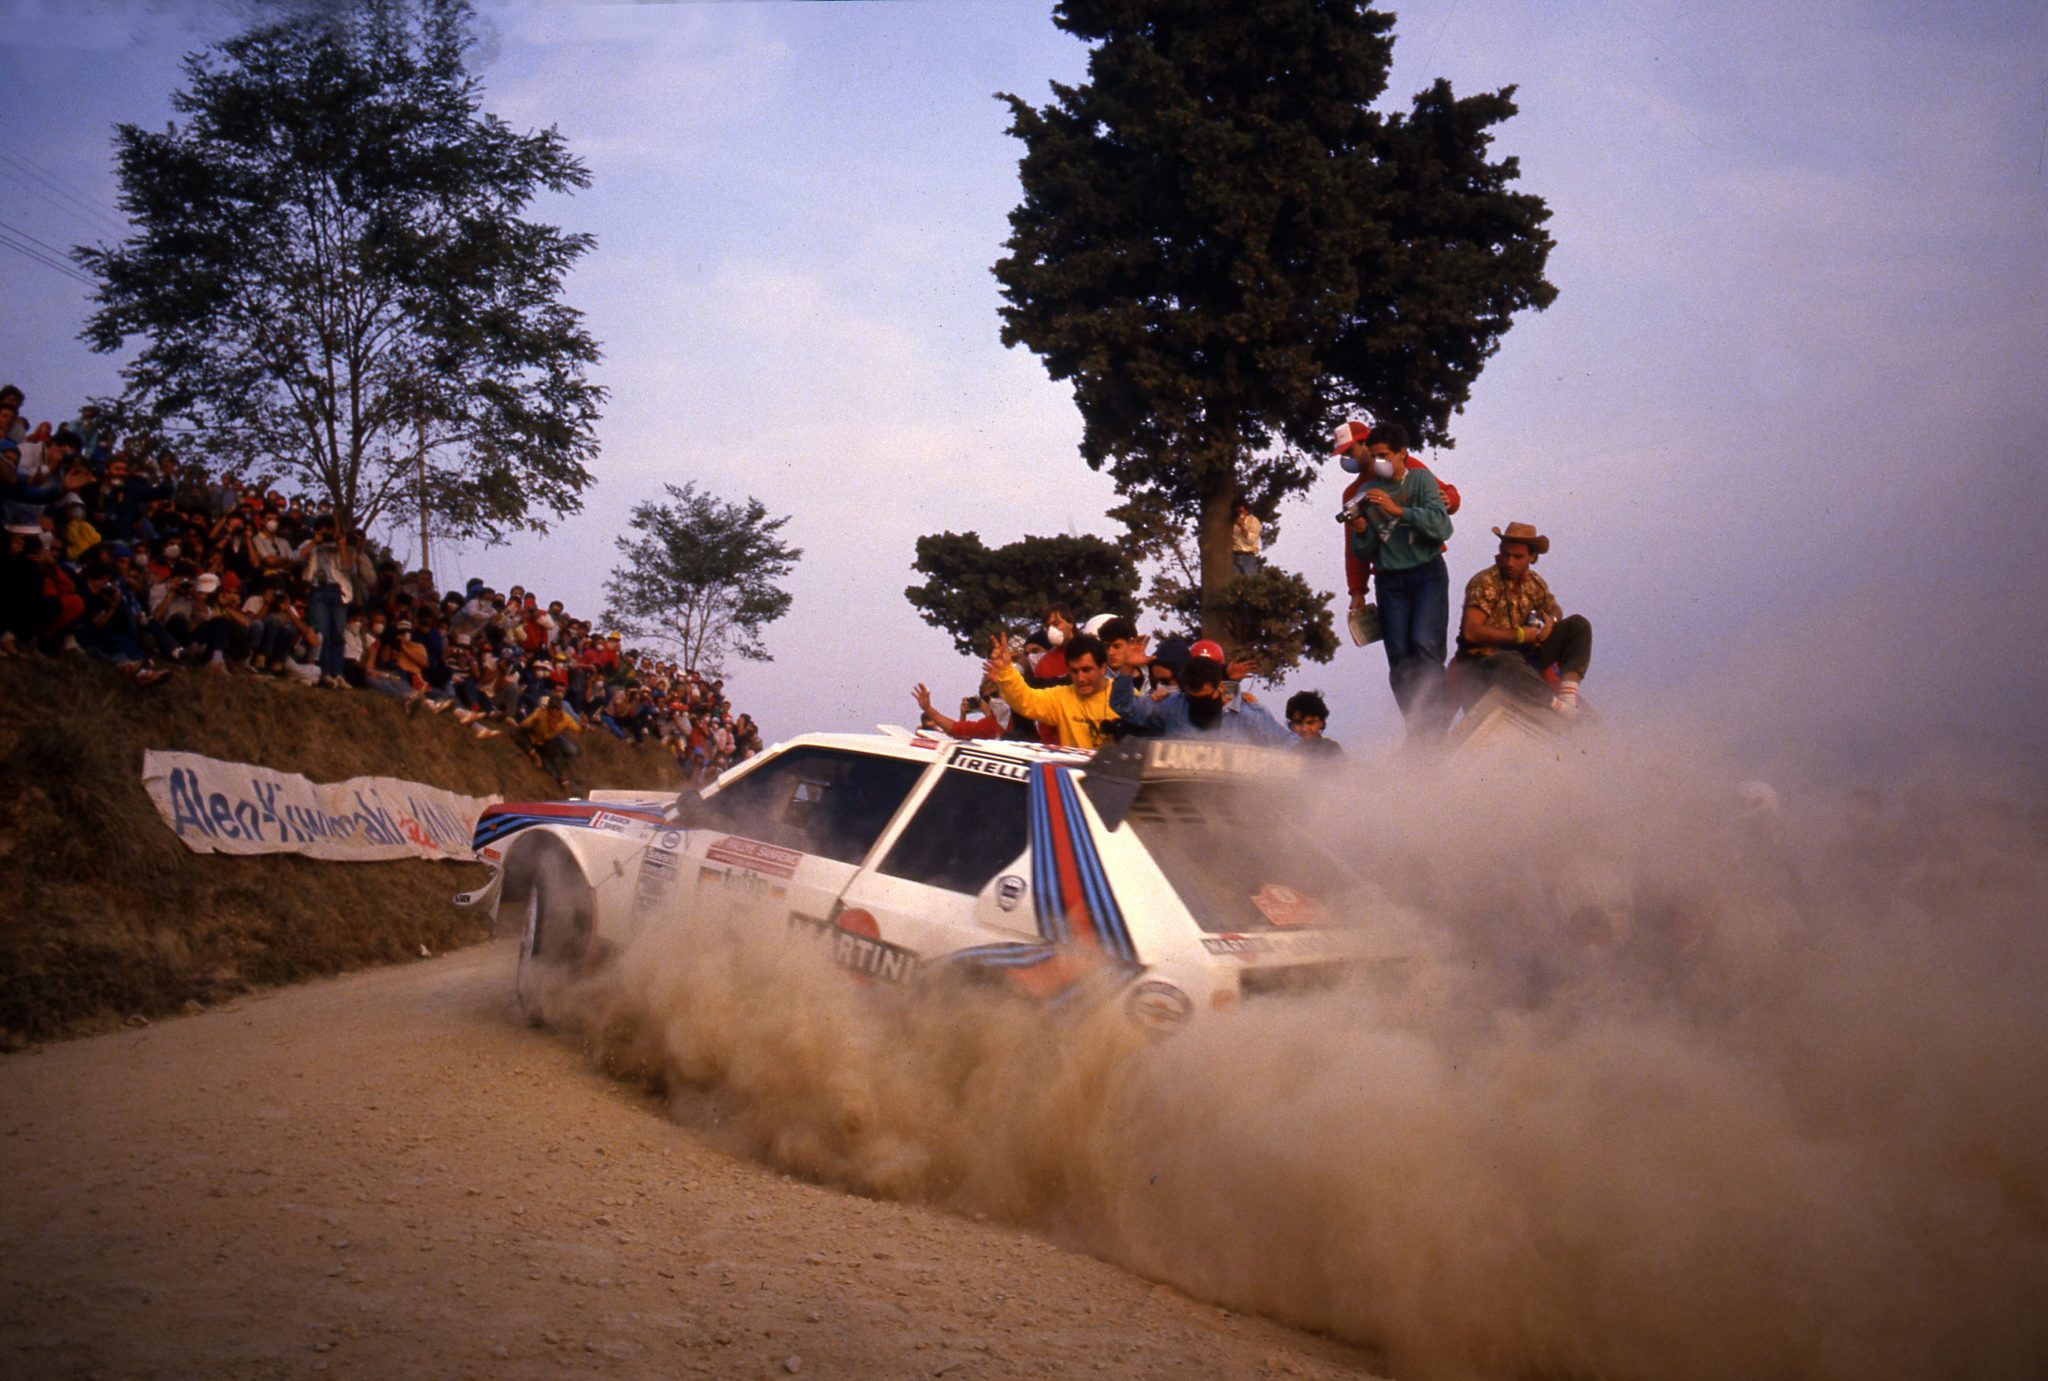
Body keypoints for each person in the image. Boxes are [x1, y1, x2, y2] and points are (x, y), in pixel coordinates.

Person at [1338, 422, 1453, 736]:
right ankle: (1417, 728)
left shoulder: (1418, 474)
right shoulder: (1359, 493)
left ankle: (1436, 728)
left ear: (1401, 453)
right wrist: (1361, 532)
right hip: (1389, 579)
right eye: (1374, 456)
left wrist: (1399, 510)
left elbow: (1444, 518)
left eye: (1383, 456)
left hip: (1426, 571)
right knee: (1400, 657)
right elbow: (1359, 549)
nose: (1378, 462)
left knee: (1424, 643)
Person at [1451, 521, 1593, 715]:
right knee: (1506, 661)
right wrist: (1519, 635)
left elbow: (1554, 608)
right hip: (1485, 665)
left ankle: (1568, 696)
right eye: (1506, 555)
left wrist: (1551, 622)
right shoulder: (1485, 582)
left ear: (1532, 557)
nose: (1510, 562)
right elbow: (1471, 631)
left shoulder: (1535, 582)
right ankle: (1560, 710)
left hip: (1527, 657)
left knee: (1578, 625)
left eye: (1518, 557)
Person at [1108, 637, 1291, 743]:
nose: (1198, 705)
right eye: (1192, 699)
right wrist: (1127, 667)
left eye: (1204, 698)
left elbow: (1290, 746)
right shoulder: (1172, 705)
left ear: (1220, 688)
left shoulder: (1250, 716)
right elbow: (1123, 707)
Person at [984, 630, 1117, 750]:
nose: (1080, 678)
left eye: (1086, 670)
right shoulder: (1061, 697)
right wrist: (1006, 671)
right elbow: (1025, 700)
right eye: (1074, 671)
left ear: (1103, 668)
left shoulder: (1123, 696)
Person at [1284, 690, 1345, 756]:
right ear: (1290, 724)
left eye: (1310, 723)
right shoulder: (1286, 751)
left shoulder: (1331, 749)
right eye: (1298, 723)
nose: (1304, 729)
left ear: (1321, 723)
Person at [1230, 498, 1262, 577]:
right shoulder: (1231, 523)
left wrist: (1241, 525)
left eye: (1241, 511)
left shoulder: (1253, 521)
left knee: (1250, 580)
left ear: (1246, 511)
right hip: (1234, 556)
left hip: (1248, 556)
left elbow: (1251, 540)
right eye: (1236, 511)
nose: (1239, 513)